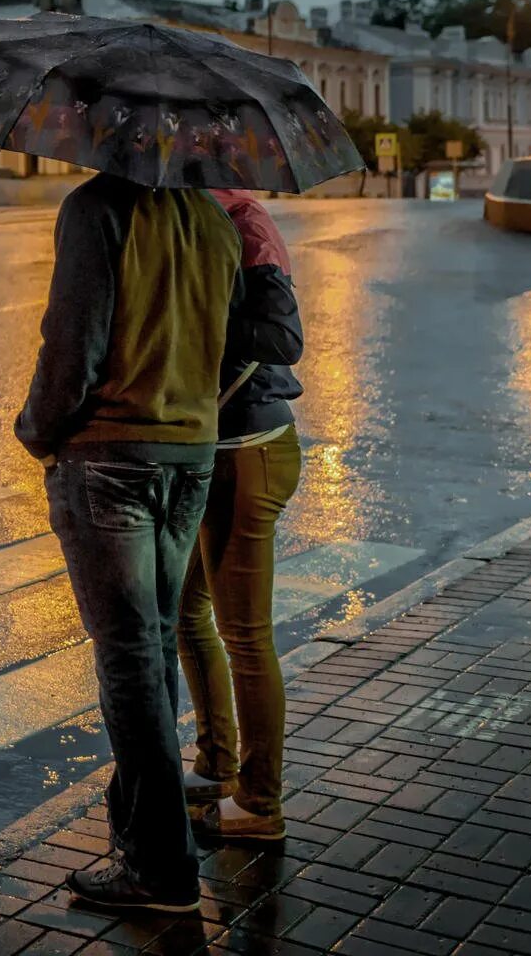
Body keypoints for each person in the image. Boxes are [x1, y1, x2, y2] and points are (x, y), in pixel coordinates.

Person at [17, 172, 242, 913]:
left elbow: (71, 341)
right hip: (191, 455)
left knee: (130, 661)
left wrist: (38, 433)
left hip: (112, 456)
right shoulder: (211, 213)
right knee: (152, 651)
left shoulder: (97, 209)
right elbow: (233, 333)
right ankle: (154, 829)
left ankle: (160, 865)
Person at [179, 190, 305, 843]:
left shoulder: (241, 218)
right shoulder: (187, 215)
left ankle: (259, 803)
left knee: (246, 634)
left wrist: (195, 310)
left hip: (251, 452)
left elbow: (284, 337)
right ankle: (219, 762)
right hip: (213, 450)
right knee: (184, 611)